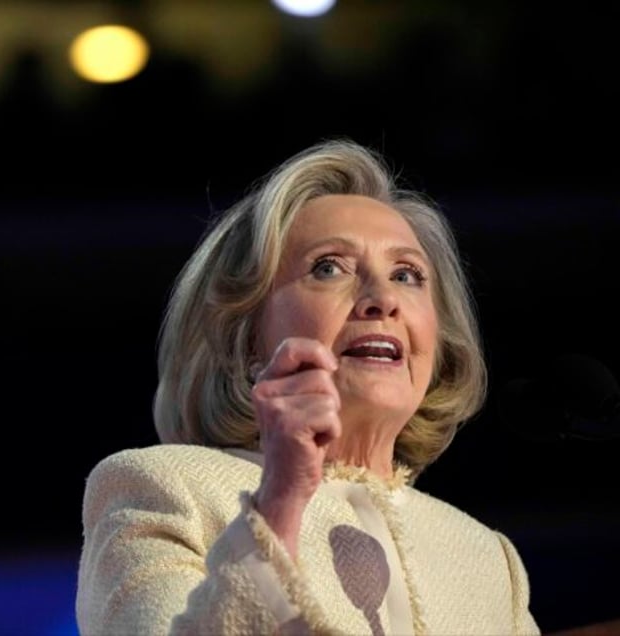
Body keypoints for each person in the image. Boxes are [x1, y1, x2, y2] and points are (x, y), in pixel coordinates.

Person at [75, 138, 540, 635]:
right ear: (245, 337)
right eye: (328, 267)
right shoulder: (165, 489)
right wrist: (280, 501)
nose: (383, 299)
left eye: (407, 274)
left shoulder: (486, 558)